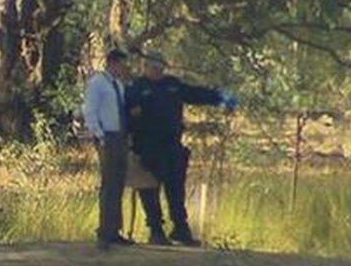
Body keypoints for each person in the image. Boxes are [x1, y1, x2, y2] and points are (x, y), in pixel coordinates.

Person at [127, 51, 238, 246]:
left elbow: (195, 94)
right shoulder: (136, 88)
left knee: (176, 189)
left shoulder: (172, 85)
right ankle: (156, 230)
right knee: (149, 190)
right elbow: (126, 114)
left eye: (161, 68)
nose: (157, 71)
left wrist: (219, 98)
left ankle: (180, 228)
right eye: (154, 67)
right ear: (145, 67)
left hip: (171, 146)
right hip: (147, 147)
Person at [83, 48, 134, 251]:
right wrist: (99, 134)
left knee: (119, 183)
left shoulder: (118, 85)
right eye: (121, 64)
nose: (123, 68)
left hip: (120, 137)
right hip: (107, 137)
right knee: (109, 183)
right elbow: (90, 111)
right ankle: (104, 231)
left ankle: (115, 230)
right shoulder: (98, 83)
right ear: (112, 63)